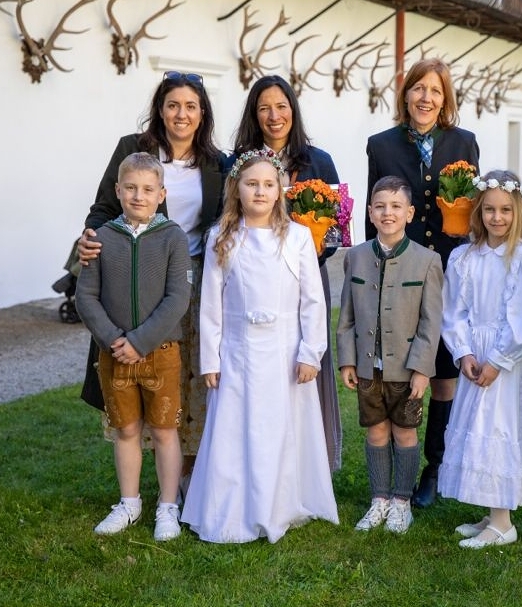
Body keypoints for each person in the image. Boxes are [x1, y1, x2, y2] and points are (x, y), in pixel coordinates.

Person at [78, 72, 226, 493]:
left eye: (191, 106)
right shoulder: (133, 149)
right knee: (133, 369)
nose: (181, 114)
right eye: (173, 104)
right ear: (160, 109)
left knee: (188, 379)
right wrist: (89, 238)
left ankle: (185, 480)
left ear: (202, 113)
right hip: (137, 273)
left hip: (194, 280)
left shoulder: (216, 162)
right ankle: (137, 480)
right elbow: (103, 208)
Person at [181, 151, 339, 543]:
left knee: (279, 427)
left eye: (269, 184)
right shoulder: (221, 238)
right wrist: (211, 359)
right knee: (236, 426)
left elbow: (312, 300)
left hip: (285, 352)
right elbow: (211, 305)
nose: (260, 191)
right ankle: (234, 507)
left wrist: (310, 352)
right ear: (236, 188)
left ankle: (279, 503)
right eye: (252, 184)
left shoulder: (297, 237)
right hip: (238, 351)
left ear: (280, 190)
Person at [365, 58, 480, 508]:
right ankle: (398, 465)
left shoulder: (463, 142)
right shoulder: (381, 144)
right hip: (401, 271)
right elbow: (375, 211)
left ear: (445, 98)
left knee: (444, 374)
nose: (426, 98)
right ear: (406, 94)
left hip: (451, 270)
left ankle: (436, 466)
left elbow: (471, 207)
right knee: (402, 369)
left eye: (435, 90)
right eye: (418, 89)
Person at [75, 152, 191, 541]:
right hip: (114, 355)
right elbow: (85, 297)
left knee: (164, 430)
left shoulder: (173, 237)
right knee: (125, 429)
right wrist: (114, 340)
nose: (138, 196)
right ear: (118, 190)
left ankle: (168, 506)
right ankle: (129, 503)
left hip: (162, 353)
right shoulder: (101, 238)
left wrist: (140, 341)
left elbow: (178, 297)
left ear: (161, 194)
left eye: (147, 189)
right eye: (130, 188)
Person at [437, 170, 522, 549]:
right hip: (476, 355)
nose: (497, 217)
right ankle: (492, 513)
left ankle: (503, 523)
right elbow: (453, 311)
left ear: (518, 211)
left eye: (505, 210)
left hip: (508, 360)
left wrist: (498, 359)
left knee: (501, 428)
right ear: (478, 211)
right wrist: (463, 352)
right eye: (489, 209)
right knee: (478, 427)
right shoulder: (463, 257)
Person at [231, 74, 343, 473]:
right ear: (254, 114)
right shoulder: (239, 163)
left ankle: (309, 463)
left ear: (293, 110)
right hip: (253, 289)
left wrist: (315, 245)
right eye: (264, 108)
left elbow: (338, 229)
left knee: (306, 365)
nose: (274, 115)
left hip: (307, 278)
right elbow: (227, 221)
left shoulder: (319, 161)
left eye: (281, 106)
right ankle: (255, 459)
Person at [337, 176, 443, 534]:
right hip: (369, 366)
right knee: (376, 431)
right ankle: (379, 499)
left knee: (405, 432)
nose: (388, 213)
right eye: (380, 206)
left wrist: (422, 369)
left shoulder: (427, 261)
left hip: (406, 369)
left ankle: (402, 502)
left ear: (409, 213)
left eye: (396, 206)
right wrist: (347, 359)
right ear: (370, 212)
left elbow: (431, 322)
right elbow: (346, 314)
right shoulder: (356, 257)